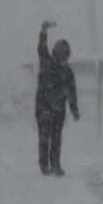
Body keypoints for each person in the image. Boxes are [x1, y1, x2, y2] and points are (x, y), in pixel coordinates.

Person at [35, 20, 79, 175]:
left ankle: (54, 165)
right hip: (45, 109)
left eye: (65, 53)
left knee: (55, 139)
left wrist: (74, 109)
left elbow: (72, 92)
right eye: (61, 52)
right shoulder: (48, 62)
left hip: (55, 111)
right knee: (46, 138)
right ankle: (46, 166)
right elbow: (41, 48)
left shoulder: (66, 71)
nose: (63, 56)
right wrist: (43, 31)